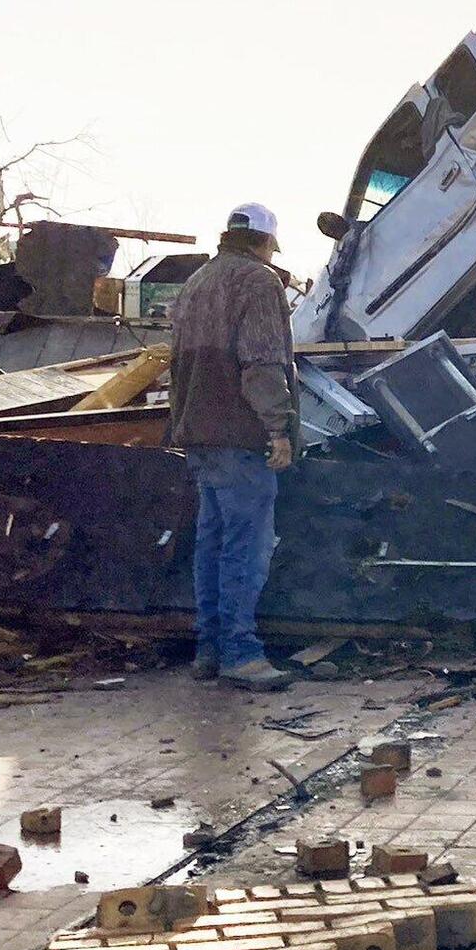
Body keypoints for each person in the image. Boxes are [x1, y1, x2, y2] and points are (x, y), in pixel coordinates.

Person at [167, 203, 300, 690]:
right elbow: (262, 362)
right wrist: (278, 429)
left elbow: (177, 366)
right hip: (240, 437)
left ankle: (209, 649)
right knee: (246, 548)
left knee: (213, 544)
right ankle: (241, 654)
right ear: (265, 243)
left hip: (199, 435)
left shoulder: (197, 282)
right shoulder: (259, 283)